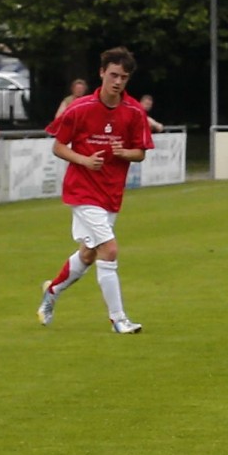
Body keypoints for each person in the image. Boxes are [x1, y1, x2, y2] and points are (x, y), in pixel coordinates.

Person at [36, 46, 155, 334]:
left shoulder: (134, 112)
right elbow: (58, 146)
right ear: (102, 73)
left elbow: (140, 152)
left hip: (111, 193)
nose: (118, 82)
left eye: (123, 77)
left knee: (89, 254)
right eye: (113, 75)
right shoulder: (80, 108)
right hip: (82, 191)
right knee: (109, 250)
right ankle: (118, 319)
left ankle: (51, 292)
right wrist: (84, 160)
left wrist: (124, 153)